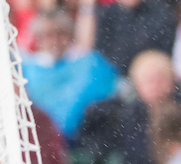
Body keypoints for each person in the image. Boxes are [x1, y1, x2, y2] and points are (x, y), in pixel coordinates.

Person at [20, 10, 119, 142]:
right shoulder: (27, 69)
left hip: (86, 141)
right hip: (41, 142)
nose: (55, 40)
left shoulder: (91, 63)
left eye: (61, 33)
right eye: (49, 35)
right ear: (39, 39)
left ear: (70, 34)